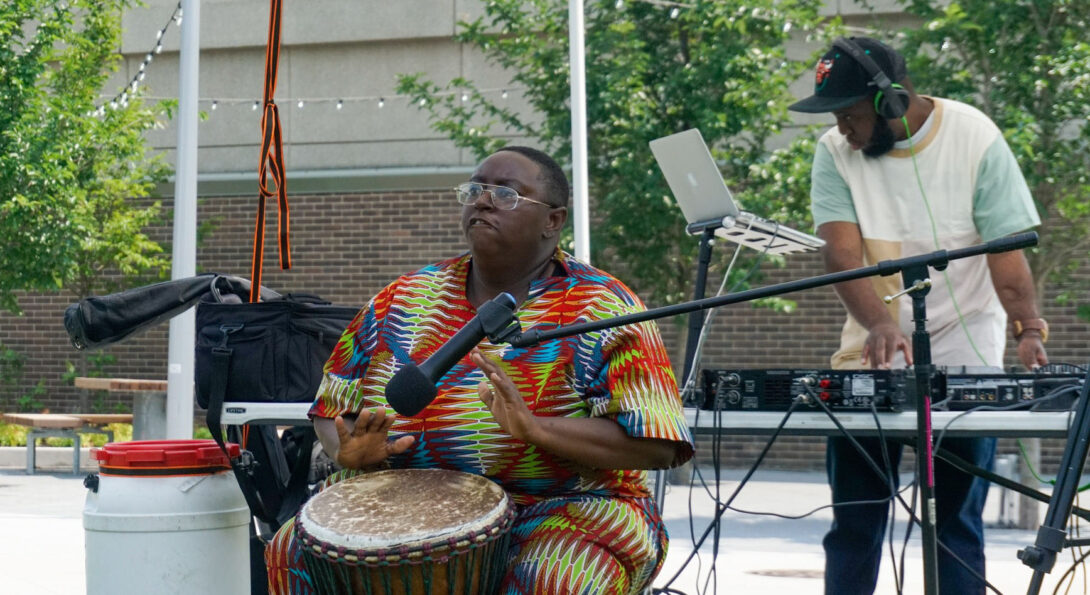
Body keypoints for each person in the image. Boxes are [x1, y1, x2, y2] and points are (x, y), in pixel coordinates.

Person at [265, 146, 696, 594]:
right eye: (474, 189)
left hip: (561, 507)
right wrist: (347, 451)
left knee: (555, 578)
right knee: (289, 550)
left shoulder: (601, 306)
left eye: (506, 193)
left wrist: (535, 428)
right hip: (402, 498)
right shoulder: (402, 298)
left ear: (553, 220)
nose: (483, 200)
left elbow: (657, 444)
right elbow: (333, 406)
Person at [788, 37, 1049, 594]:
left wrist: (1028, 326)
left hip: (965, 351)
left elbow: (1006, 249)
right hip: (871, 348)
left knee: (954, 524)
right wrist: (881, 324)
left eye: (850, 115)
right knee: (854, 525)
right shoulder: (834, 153)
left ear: (889, 102)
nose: (841, 130)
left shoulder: (974, 136)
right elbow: (841, 254)